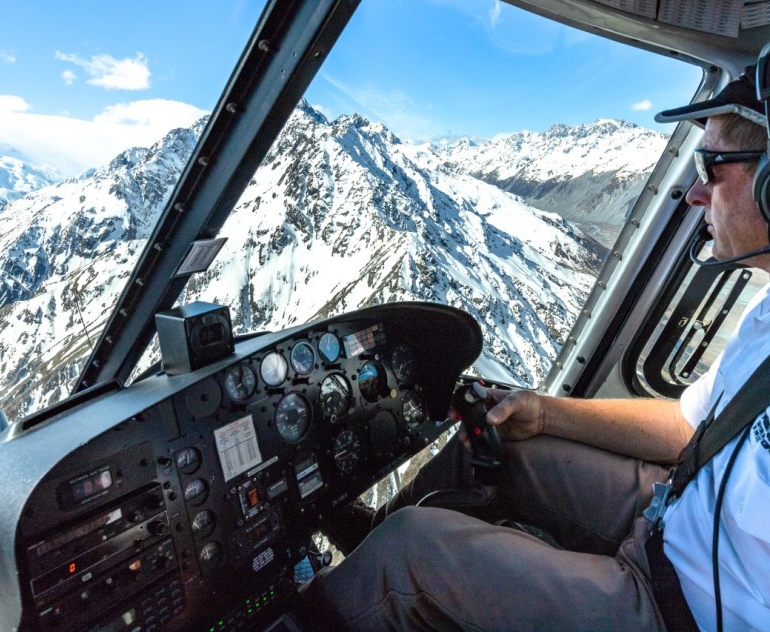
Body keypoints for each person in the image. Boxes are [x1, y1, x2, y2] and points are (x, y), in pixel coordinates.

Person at [297, 68, 770, 632]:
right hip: (675, 517)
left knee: (408, 559)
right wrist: (543, 410)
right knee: (490, 444)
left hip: (687, 608)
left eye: (709, 169)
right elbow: (685, 426)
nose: (692, 194)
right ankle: (366, 540)